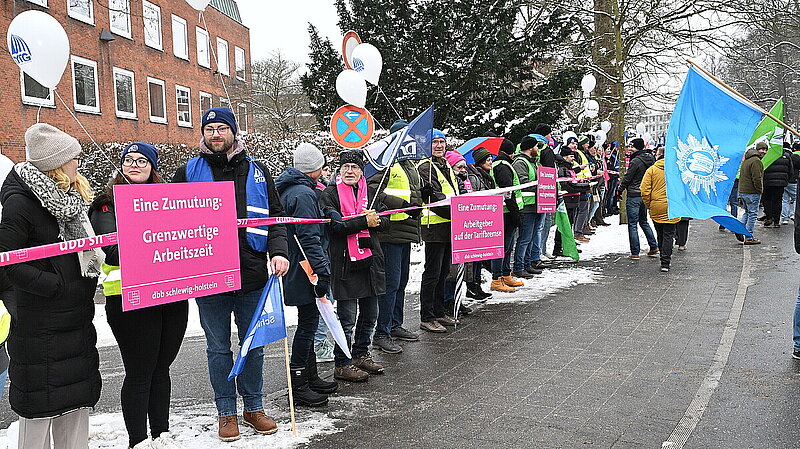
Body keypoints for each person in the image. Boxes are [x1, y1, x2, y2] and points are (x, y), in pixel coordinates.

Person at [173, 107, 289, 440]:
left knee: (253, 345)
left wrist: (279, 252)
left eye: (222, 128)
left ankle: (254, 407)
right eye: (209, 129)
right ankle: (226, 413)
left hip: (252, 274)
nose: (215, 134)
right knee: (218, 348)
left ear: (234, 132)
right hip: (208, 276)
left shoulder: (258, 170)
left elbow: (276, 217)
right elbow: (169, 221)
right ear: (202, 134)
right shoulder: (187, 172)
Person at [0, 123, 103, 449]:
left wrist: (83, 281)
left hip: (76, 320)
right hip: (40, 325)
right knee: (39, 416)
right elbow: (7, 260)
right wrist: (55, 287)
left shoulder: (71, 197)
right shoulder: (20, 203)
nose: (78, 164)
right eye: (73, 158)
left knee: (75, 410)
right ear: (55, 163)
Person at [90, 143, 188, 449]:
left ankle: (161, 433)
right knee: (140, 371)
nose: (134, 164)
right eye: (129, 160)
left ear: (152, 167)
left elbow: (190, 235)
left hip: (171, 295)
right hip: (129, 299)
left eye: (142, 160)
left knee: (161, 367)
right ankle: (139, 440)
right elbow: (112, 250)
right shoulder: (106, 204)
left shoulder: (170, 200)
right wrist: (157, 242)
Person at [276, 143, 339, 403]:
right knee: (308, 324)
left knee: (309, 321)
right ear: (314, 168)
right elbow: (309, 237)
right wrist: (322, 272)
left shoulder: (294, 189)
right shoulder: (303, 193)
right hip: (305, 267)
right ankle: (299, 382)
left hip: (297, 264)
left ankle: (310, 376)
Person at [321, 151, 389, 379]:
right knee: (347, 319)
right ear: (339, 170)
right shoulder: (330, 193)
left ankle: (361, 354)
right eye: (345, 167)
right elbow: (336, 226)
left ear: (361, 171)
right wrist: (363, 221)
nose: (350, 171)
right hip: (345, 263)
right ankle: (342, 363)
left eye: (354, 167)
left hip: (370, 262)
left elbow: (386, 220)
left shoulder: (370, 192)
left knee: (370, 315)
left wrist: (377, 220)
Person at [368, 119, 422, 353]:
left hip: (406, 231)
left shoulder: (409, 163)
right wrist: (402, 204)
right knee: (390, 284)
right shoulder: (384, 161)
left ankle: (395, 324)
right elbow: (372, 192)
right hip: (390, 232)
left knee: (401, 282)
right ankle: (381, 333)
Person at [417, 129, 459, 332]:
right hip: (434, 226)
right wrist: (458, 212)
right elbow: (434, 198)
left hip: (449, 224)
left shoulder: (445, 164)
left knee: (443, 271)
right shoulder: (426, 167)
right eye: (435, 142)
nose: (439, 145)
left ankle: (439, 311)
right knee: (433, 272)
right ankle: (427, 316)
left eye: (442, 141)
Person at [489, 138, 525, 292]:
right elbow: (507, 192)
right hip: (506, 211)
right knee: (502, 247)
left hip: (507, 210)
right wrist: (515, 213)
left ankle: (505, 274)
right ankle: (497, 278)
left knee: (508, 246)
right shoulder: (502, 166)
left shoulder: (501, 164)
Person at [616, 138, 658, 259]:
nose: (630, 149)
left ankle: (635, 252)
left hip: (634, 195)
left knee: (632, 224)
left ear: (636, 148)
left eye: (632, 147)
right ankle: (654, 246)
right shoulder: (651, 159)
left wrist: (619, 190)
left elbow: (628, 178)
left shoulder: (635, 161)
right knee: (644, 221)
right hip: (645, 194)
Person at [512, 134, 546, 277]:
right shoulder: (520, 163)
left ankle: (527, 264)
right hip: (527, 205)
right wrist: (542, 186)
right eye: (536, 146)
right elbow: (523, 184)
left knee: (530, 237)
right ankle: (519, 267)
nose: (538, 149)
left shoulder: (532, 162)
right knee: (525, 238)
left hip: (536, 204)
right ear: (531, 148)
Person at [464, 148, 496, 300]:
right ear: (481, 161)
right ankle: (472, 286)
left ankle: (477, 285)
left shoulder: (485, 175)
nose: (491, 162)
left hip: (483, 221)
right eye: (488, 160)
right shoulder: (474, 177)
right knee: (474, 258)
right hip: (476, 221)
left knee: (480, 256)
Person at [640, 152, 680, 272]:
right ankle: (665, 262)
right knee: (669, 234)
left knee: (660, 233)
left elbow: (644, 190)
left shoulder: (652, 170)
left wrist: (649, 204)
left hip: (657, 206)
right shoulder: (677, 170)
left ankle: (663, 256)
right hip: (673, 206)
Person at [553, 145, 589, 257]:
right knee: (564, 225)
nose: (573, 158)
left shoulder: (569, 168)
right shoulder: (562, 168)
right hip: (567, 199)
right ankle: (558, 247)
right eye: (570, 156)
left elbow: (572, 181)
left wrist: (580, 184)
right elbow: (566, 185)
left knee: (569, 224)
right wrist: (583, 187)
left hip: (573, 199)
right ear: (564, 157)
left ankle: (568, 246)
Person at [737, 142, 766, 244]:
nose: (764, 152)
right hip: (752, 191)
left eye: (766, 150)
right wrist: (760, 190)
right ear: (757, 150)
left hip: (743, 191)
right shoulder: (756, 161)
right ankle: (749, 237)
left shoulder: (747, 160)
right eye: (762, 149)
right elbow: (757, 178)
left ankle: (739, 230)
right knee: (753, 214)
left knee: (747, 212)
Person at [761, 144, 793, 228]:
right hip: (780, 183)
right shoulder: (786, 156)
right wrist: (786, 180)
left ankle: (769, 217)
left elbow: (762, 168)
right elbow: (791, 170)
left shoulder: (768, 156)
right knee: (778, 201)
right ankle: (776, 221)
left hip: (767, 182)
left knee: (767, 199)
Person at [572, 136, 594, 241]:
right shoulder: (576, 154)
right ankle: (578, 232)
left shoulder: (580, 154)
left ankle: (579, 231)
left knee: (584, 209)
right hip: (578, 185)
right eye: (573, 143)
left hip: (584, 184)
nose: (588, 145)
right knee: (581, 210)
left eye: (576, 144)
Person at [781, 144, 800, 225]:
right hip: (794, 181)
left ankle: (784, 218)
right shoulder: (796, 157)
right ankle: (793, 215)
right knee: (795, 199)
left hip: (785, 181)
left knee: (785, 200)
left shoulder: (784, 156)